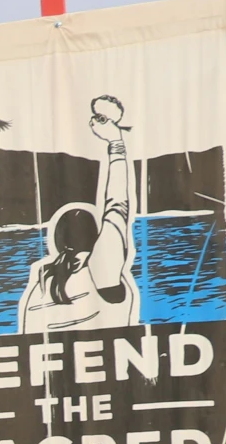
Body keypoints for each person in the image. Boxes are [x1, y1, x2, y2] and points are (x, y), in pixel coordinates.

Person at [16, 97, 140, 333]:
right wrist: (116, 143)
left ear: (57, 241)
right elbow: (117, 206)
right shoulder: (102, 269)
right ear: (97, 239)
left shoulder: (42, 286)